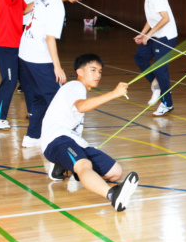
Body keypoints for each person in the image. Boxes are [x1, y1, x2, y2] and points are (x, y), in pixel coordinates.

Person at [42, 53, 139, 211]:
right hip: (57, 139)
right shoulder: (75, 86)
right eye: (93, 70)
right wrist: (114, 94)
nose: (97, 75)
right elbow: (82, 106)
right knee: (84, 164)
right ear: (79, 72)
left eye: (100, 71)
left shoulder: (79, 89)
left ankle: (63, 165)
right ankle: (112, 195)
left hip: (75, 141)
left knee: (115, 172)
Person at [18, 0, 92, 148]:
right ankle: (67, 140)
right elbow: (50, 38)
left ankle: (33, 137)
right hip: (38, 58)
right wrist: (57, 68)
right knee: (59, 99)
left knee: (38, 98)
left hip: (24, 52)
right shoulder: (58, 7)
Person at [0, 0, 51, 130]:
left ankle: (33, 112)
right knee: (10, 81)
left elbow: (25, 9)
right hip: (5, 44)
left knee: (27, 80)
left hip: (19, 44)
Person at [133, 0, 178, 117]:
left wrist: (149, 35)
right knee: (140, 57)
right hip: (155, 35)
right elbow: (152, 18)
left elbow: (165, 19)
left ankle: (167, 104)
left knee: (160, 69)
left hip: (165, 37)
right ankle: (156, 85)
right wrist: (142, 34)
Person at [18, 0, 53, 95]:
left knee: (42, 53)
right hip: (26, 24)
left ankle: (40, 81)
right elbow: (24, 8)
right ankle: (23, 82)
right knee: (25, 55)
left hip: (42, 25)